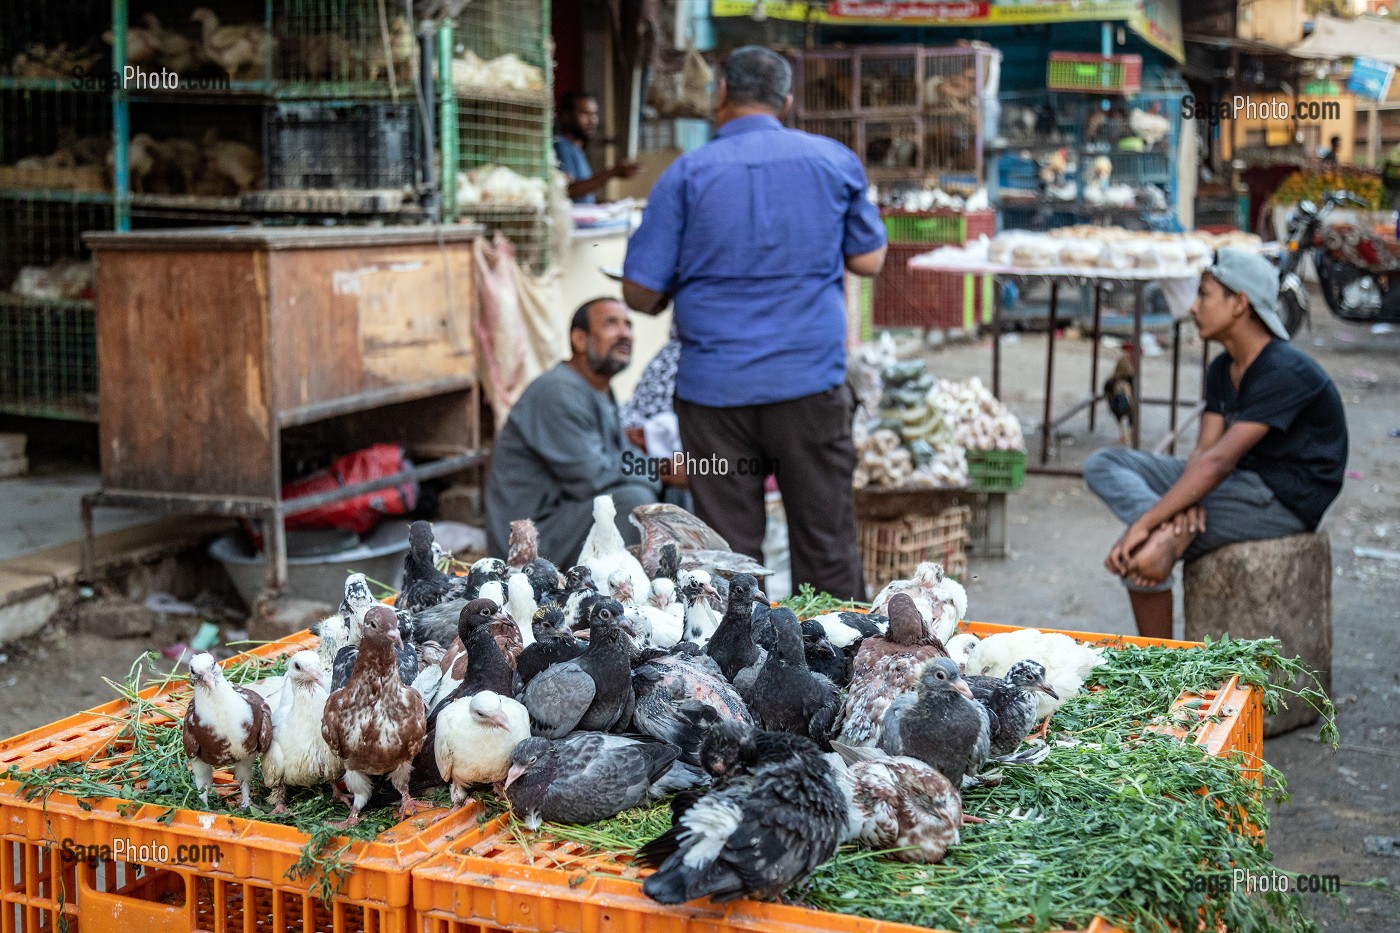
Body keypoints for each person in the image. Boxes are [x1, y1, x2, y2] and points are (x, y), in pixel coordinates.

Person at [621, 45, 888, 601]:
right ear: (786, 101)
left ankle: (733, 672)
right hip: (809, 390)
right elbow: (868, 260)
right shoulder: (832, 161)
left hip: (715, 400)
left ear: (720, 93)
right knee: (826, 541)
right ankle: (839, 668)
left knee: (727, 549)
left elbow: (640, 293)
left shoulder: (685, 175)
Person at [1084, 248, 1348, 639]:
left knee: (1140, 555)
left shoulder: (1284, 370)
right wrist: (1178, 510)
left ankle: (1163, 670)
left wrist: (1145, 524)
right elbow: (1204, 453)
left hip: (1283, 499)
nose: (1193, 307)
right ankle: (1169, 531)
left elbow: (1219, 461)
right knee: (1103, 463)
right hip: (1234, 480)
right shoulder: (1222, 368)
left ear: (1239, 303)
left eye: (1204, 294)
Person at [484, 297, 679, 567]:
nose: (625, 334)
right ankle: (618, 598)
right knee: (634, 502)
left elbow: (622, 457)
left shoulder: (599, 390)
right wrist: (661, 471)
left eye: (628, 325)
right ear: (579, 339)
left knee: (677, 495)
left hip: (568, 518)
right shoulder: (558, 391)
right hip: (532, 541)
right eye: (611, 323)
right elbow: (591, 477)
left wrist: (666, 473)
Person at [554, 90, 639, 204]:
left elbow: (581, 199)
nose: (592, 120)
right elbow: (568, 191)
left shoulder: (576, 148)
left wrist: (605, 204)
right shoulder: (561, 147)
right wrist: (613, 172)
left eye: (594, 114)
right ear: (566, 116)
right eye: (585, 114)